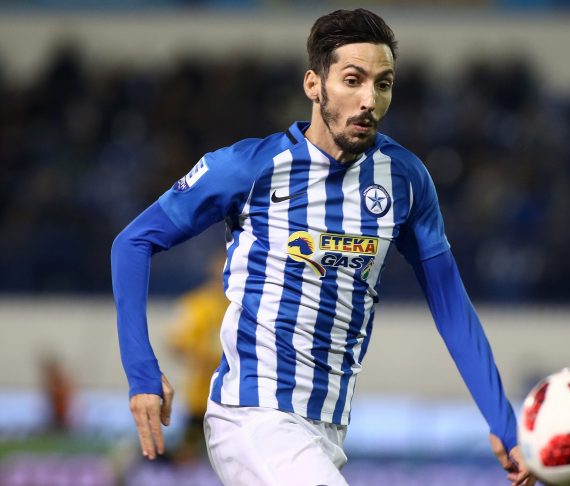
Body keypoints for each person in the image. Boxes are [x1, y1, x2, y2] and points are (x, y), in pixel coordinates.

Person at [111, 8, 533, 486]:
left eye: (383, 84)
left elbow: (451, 305)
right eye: (353, 80)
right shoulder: (249, 168)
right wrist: (142, 371)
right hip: (253, 416)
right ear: (314, 84)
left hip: (328, 427)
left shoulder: (405, 180)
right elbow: (132, 243)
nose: (369, 99)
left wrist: (503, 422)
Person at [166, 251, 228, 462]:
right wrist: (200, 358)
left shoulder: (245, 304)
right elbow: (175, 343)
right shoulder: (196, 304)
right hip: (201, 397)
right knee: (190, 456)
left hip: (239, 396)